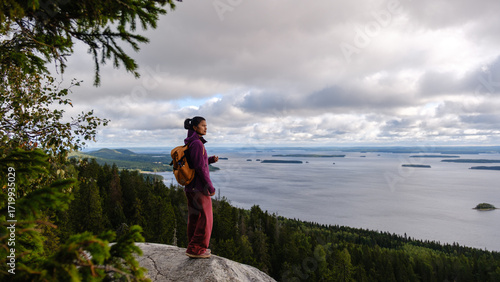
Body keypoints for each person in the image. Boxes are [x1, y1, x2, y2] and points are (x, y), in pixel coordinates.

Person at [183, 116, 218, 259]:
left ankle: (193, 246)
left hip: (191, 187)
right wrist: (209, 186)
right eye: (203, 125)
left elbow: (195, 162)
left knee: (195, 217)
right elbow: (199, 167)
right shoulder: (197, 143)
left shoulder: (191, 142)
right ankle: (196, 248)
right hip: (199, 188)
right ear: (195, 128)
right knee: (206, 218)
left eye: (206, 125)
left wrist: (209, 160)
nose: (206, 128)